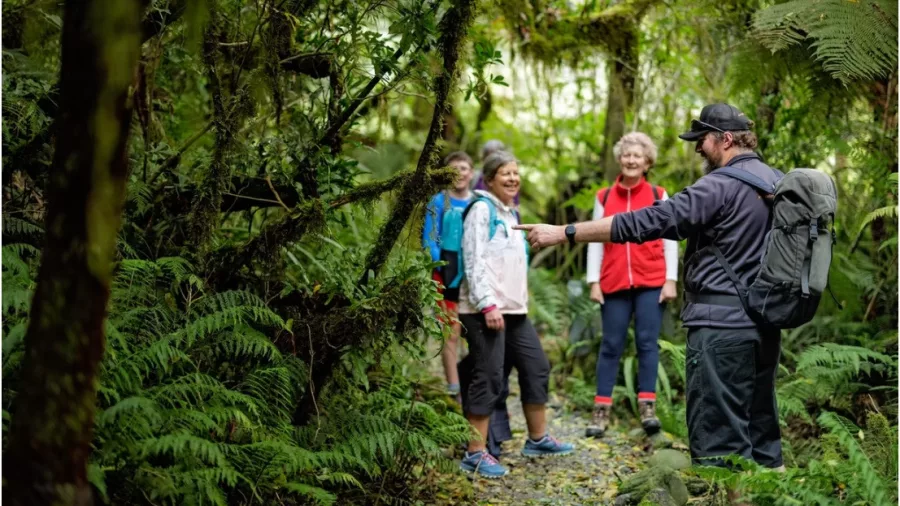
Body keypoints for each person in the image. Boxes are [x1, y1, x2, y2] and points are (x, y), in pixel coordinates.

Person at [516, 103, 785, 470]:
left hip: (721, 328)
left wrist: (565, 232)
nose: (696, 148)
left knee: (721, 443)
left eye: (701, 140)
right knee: (763, 429)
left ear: (724, 139)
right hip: (766, 324)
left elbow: (648, 222)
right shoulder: (777, 181)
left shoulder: (718, 186)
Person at [458, 151, 573, 478]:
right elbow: (474, 260)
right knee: (489, 374)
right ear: (490, 179)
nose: (512, 178)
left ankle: (537, 439)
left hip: (514, 311)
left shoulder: (511, 214)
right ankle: (475, 453)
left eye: (515, 173)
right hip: (484, 310)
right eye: (504, 173)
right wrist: (487, 304)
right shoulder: (481, 210)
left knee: (537, 366)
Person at [584, 132, 679, 438]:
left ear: (647, 161)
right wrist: (593, 280)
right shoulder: (604, 197)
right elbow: (593, 239)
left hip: (651, 279)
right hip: (613, 281)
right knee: (610, 345)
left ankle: (647, 408)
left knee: (647, 343)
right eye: (627, 155)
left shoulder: (657, 194)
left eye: (637, 156)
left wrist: (671, 279)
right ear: (620, 159)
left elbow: (670, 237)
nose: (631, 160)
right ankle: (600, 412)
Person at [422, 151, 474, 398]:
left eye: (464, 168)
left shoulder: (480, 201)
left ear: (471, 173)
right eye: (454, 169)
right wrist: (443, 267)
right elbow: (430, 239)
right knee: (450, 332)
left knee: (475, 330)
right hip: (446, 275)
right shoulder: (438, 202)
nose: (460, 174)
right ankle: (454, 389)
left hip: (476, 275)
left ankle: (472, 380)